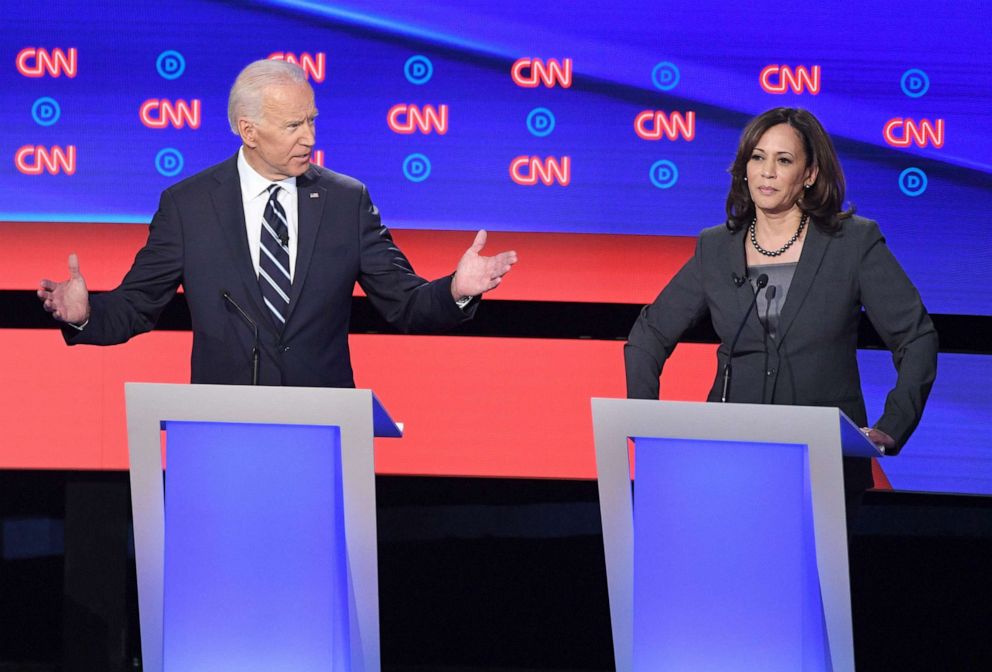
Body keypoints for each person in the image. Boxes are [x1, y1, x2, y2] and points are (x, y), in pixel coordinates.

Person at [37, 59, 517, 387]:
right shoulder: (188, 206)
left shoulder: (346, 202)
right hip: (222, 425)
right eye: (292, 126)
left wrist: (457, 289)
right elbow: (138, 305)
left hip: (322, 422)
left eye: (311, 120)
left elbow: (406, 304)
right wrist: (85, 316)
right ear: (248, 130)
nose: (309, 137)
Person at [624, 107, 938, 497]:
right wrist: (644, 419)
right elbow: (649, 333)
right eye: (758, 157)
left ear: (810, 174)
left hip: (824, 464)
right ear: (744, 168)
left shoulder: (853, 243)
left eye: (783, 160)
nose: (767, 172)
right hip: (730, 457)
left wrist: (894, 423)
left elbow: (917, 337)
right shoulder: (716, 248)